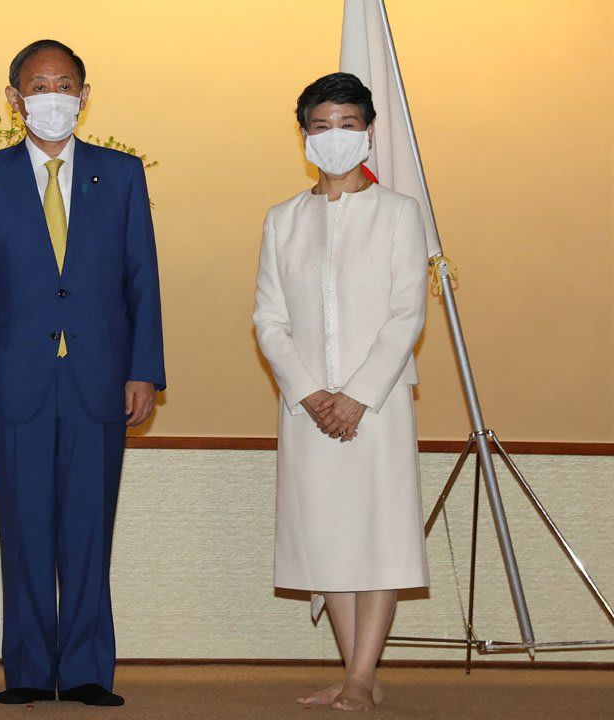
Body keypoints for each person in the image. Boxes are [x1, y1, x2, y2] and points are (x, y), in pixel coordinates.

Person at [0, 39, 165, 708]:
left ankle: (90, 669)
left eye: (64, 84)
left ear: (84, 96)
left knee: (90, 530)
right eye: (37, 86)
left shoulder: (121, 175)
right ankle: (31, 671)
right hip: (12, 385)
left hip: (100, 381)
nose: (52, 97)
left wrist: (144, 370)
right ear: (14, 100)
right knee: (24, 530)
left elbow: (141, 280)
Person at [252, 72, 430, 712]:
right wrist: (308, 393)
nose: (335, 137)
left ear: (369, 132)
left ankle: (361, 675)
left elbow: (407, 313)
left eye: (348, 125)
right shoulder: (283, 220)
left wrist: (355, 395)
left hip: (376, 405)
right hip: (307, 410)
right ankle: (357, 671)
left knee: (376, 533)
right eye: (321, 126)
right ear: (304, 136)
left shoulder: (400, 213)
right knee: (327, 535)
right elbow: (269, 321)